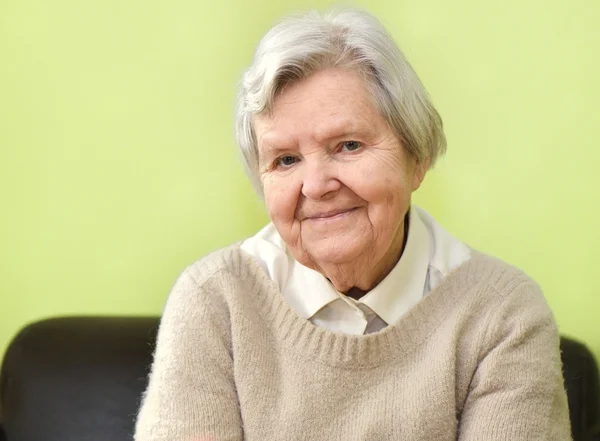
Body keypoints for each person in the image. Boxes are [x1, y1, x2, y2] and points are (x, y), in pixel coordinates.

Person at [134, 8, 571, 441]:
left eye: (348, 145)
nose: (317, 185)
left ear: (415, 158)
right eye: (286, 159)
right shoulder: (214, 301)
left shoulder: (502, 314)